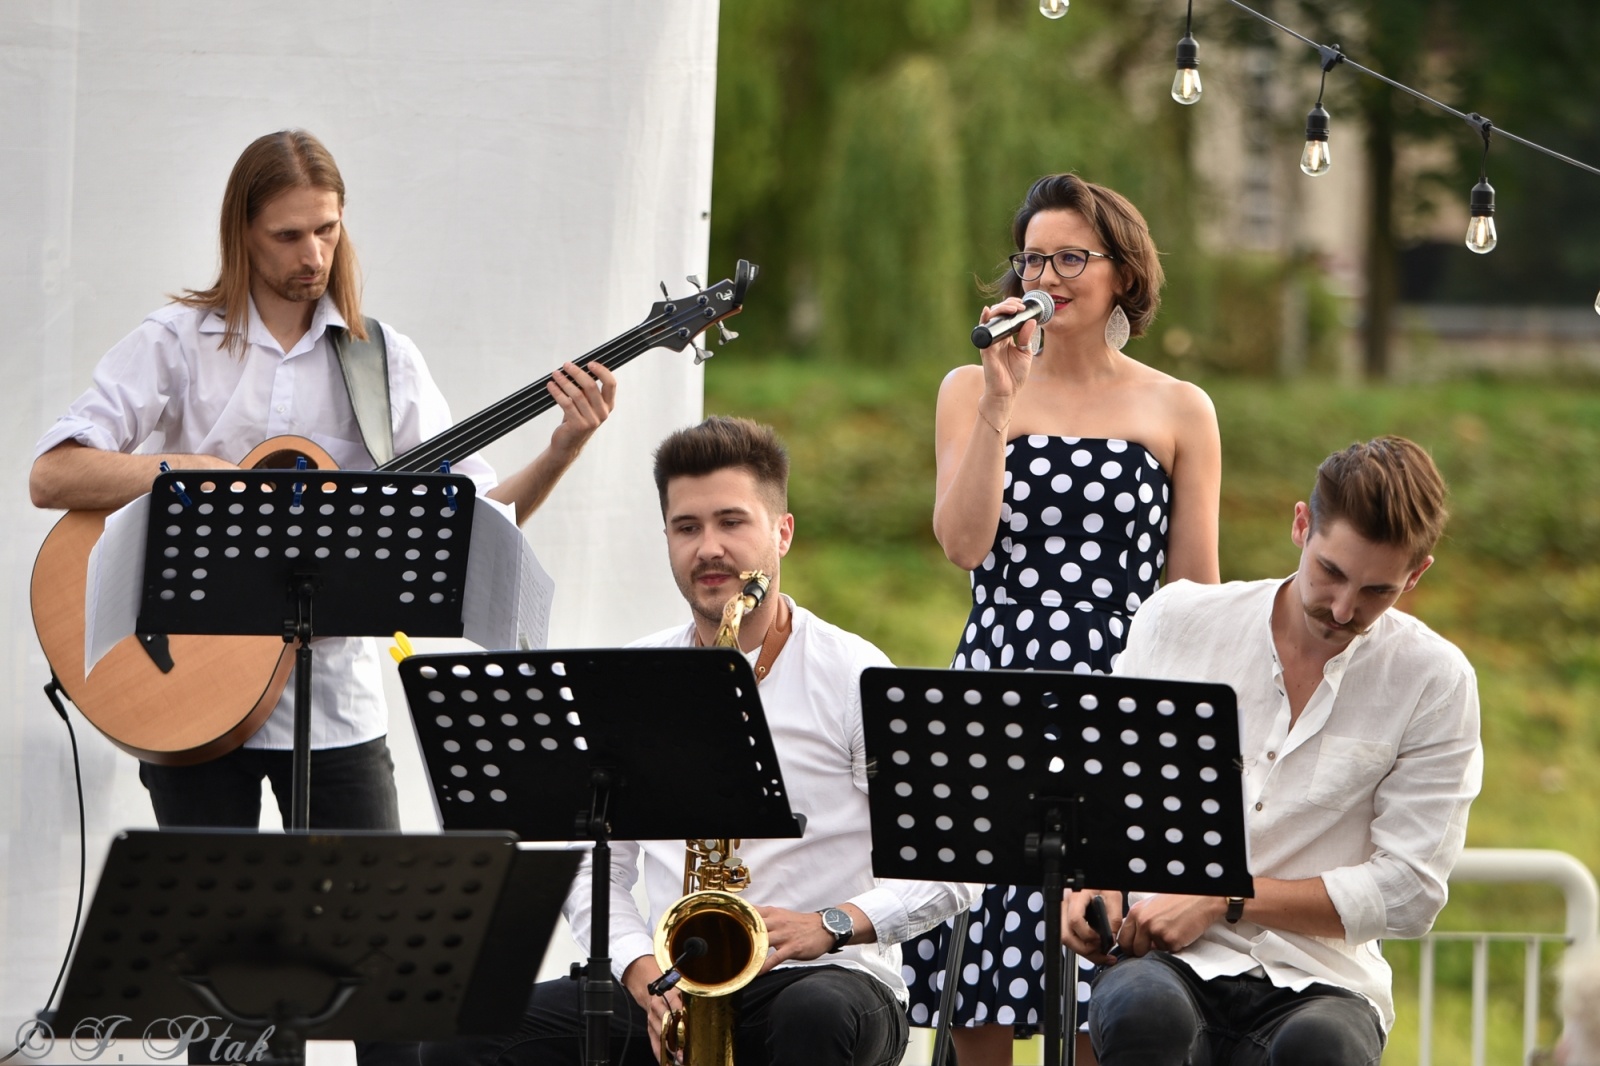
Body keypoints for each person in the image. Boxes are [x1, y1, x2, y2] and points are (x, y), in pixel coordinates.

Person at [28, 130, 615, 837]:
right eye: (288, 235)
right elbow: (52, 473)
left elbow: (481, 520)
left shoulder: (384, 361)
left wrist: (562, 448)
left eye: (327, 230)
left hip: (336, 703)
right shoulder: (175, 342)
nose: (313, 255)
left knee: (367, 905)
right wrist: (183, 471)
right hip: (184, 685)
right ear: (242, 234)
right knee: (211, 908)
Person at [422, 416, 980, 1066]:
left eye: (731, 522)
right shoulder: (633, 677)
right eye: (686, 528)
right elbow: (594, 865)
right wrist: (637, 967)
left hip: (826, 977)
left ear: (783, 532)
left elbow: (954, 868)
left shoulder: (854, 673)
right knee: (465, 1038)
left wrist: (830, 924)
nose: (708, 548)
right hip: (677, 981)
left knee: (813, 1015)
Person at [903, 173, 1222, 1064]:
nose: (1047, 276)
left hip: (1120, 689)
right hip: (999, 676)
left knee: (1099, 978)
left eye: (1071, 258)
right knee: (979, 965)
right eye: (1033, 259)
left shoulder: (1180, 407)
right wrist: (999, 399)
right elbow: (963, 544)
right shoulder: (969, 388)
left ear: (1124, 272)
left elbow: (1195, 595)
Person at [1063, 436, 1483, 1066]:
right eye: (1331, 572)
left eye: (1378, 591)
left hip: (1326, 982)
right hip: (1169, 963)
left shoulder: (1435, 680)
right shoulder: (1178, 620)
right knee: (1144, 1014)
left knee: (1322, 1048)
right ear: (1301, 525)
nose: (1343, 608)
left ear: (1416, 574)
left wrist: (1224, 898)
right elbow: (1101, 791)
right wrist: (1092, 885)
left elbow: (1409, 890)